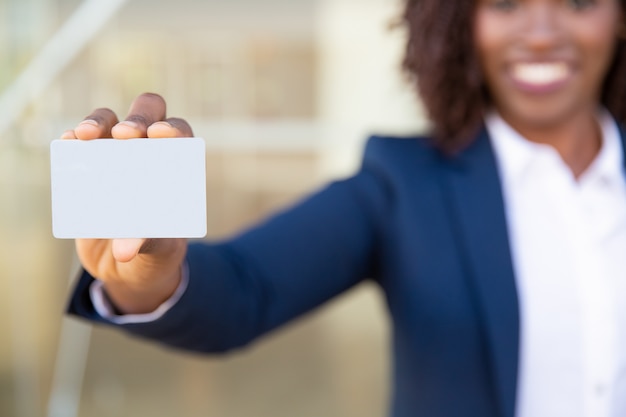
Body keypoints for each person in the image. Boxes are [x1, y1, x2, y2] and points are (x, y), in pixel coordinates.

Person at [63, 0, 626, 416]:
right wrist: (149, 273)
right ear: (461, 21)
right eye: (506, 3)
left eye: (578, 2)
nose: (543, 33)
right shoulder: (404, 183)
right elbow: (245, 290)